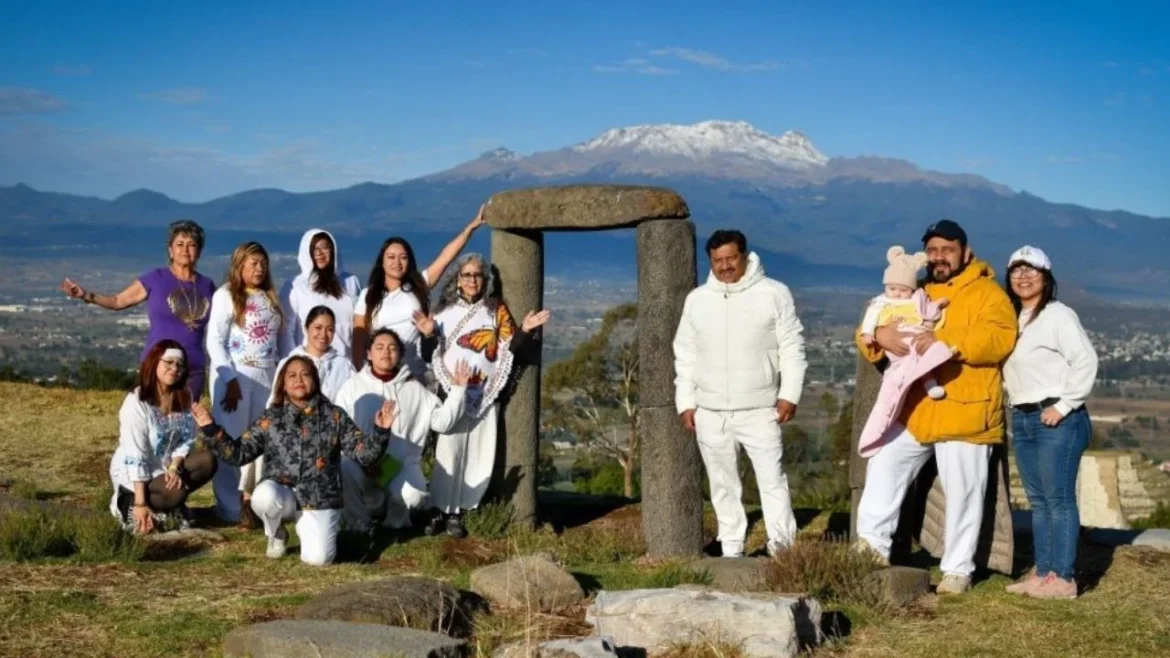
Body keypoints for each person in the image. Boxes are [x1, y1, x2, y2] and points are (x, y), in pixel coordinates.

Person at [854, 219, 1017, 595]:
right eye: (933, 250)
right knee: (884, 463)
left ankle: (958, 570)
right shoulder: (916, 289)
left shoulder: (988, 293)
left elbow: (1000, 337)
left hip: (966, 409)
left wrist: (944, 340)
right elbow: (872, 321)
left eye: (947, 249)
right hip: (916, 410)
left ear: (965, 251)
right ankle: (871, 546)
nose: (939, 257)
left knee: (964, 492)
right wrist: (879, 335)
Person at [673, 229, 808, 558]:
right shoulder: (698, 300)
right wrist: (686, 402)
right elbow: (685, 353)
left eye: (731, 258)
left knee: (772, 481)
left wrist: (790, 393)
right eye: (718, 260)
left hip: (761, 409)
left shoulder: (774, 293)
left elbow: (792, 347)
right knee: (722, 484)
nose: (725, 266)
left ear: (745, 256)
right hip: (710, 411)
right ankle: (731, 549)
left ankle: (783, 550)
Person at [191, 356, 395, 565]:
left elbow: (364, 455)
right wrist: (210, 428)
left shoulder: (334, 416)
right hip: (282, 492)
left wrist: (381, 431)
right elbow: (239, 454)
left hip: (320, 498)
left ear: (315, 380)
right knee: (264, 497)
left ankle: (311, 530)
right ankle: (276, 533)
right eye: (292, 375)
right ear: (283, 384)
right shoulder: (271, 417)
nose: (299, 379)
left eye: (305, 374)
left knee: (319, 560)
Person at [416, 253, 551, 538]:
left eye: (477, 275)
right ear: (458, 279)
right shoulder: (443, 312)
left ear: (485, 280)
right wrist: (428, 334)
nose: (472, 280)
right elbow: (431, 355)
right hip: (451, 391)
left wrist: (525, 330)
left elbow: (507, 349)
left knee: (477, 451)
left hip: (484, 394)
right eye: (467, 275)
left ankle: (461, 512)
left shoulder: (495, 311)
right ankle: (439, 509)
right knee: (448, 452)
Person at [1002, 246, 1097, 600]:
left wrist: (1065, 405)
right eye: (1016, 270)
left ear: (1046, 277)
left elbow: (1085, 360)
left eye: (1032, 270)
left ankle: (1065, 578)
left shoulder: (1058, 315)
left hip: (1057, 420)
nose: (1023, 277)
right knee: (1039, 502)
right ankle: (1044, 574)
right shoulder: (1012, 317)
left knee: (1058, 500)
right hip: (1024, 418)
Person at [61, 220, 215, 399]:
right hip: (159, 365)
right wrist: (86, 295)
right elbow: (117, 301)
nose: (185, 249)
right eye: (179, 244)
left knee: (186, 422)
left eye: (191, 245)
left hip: (193, 368)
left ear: (199, 251)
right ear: (170, 250)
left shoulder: (207, 285)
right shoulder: (155, 278)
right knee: (153, 418)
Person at [334, 329, 469, 532]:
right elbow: (339, 430)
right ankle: (358, 523)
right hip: (361, 463)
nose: (386, 352)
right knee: (344, 468)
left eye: (392, 347)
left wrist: (458, 392)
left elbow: (442, 423)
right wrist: (360, 456)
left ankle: (393, 524)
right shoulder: (352, 387)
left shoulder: (414, 389)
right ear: (369, 354)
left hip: (398, 466)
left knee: (413, 496)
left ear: (399, 354)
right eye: (379, 347)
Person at [205, 242, 288, 525]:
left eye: (263, 263)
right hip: (237, 376)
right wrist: (229, 378)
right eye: (253, 263)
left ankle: (254, 503)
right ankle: (228, 505)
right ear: (239, 265)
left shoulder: (271, 298)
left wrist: (285, 377)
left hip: (267, 376)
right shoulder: (226, 295)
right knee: (231, 439)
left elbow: (281, 341)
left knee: (260, 443)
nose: (259, 268)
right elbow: (214, 341)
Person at [352, 205, 487, 375]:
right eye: (391, 257)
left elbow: (445, 258)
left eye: (403, 257)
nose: (397, 262)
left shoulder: (418, 286)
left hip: (413, 373)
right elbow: (359, 337)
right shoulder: (368, 295)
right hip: (379, 373)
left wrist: (470, 229)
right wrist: (359, 371)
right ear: (382, 262)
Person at [108, 340, 216, 534]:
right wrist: (141, 503)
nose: (174, 368)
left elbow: (186, 438)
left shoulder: (184, 396)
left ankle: (167, 505)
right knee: (176, 492)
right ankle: (133, 503)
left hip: (164, 467)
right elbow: (136, 454)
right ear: (155, 362)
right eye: (169, 362)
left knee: (207, 460)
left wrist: (175, 467)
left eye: (180, 365)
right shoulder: (137, 402)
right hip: (134, 474)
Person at [856, 245, 952, 458]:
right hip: (898, 350)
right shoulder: (880, 302)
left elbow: (928, 313)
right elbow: (869, 319)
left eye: (902, 290)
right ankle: (875, 431)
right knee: (896, 381)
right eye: (892, 289)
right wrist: (871, 333)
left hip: (916, 339)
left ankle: (929, 382)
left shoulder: (917, 297)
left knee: (920, 358)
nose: (897, 294)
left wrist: (938, 307)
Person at [279, 229, 362, 359]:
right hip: (308, 364)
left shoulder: (350, 281)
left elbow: (359, 324)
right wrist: (291, 361)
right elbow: (286, 331)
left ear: (333, 250)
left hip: (346, 364)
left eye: (324, 247)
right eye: (313, 248)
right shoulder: (295, 285)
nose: (318, 253)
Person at [269, 306, 356, 403]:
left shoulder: (344, 366)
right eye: (318, 328)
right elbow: (274, 402)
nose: (323, 334)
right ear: (306, 328)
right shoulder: (287, 364)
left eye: (329, 329)